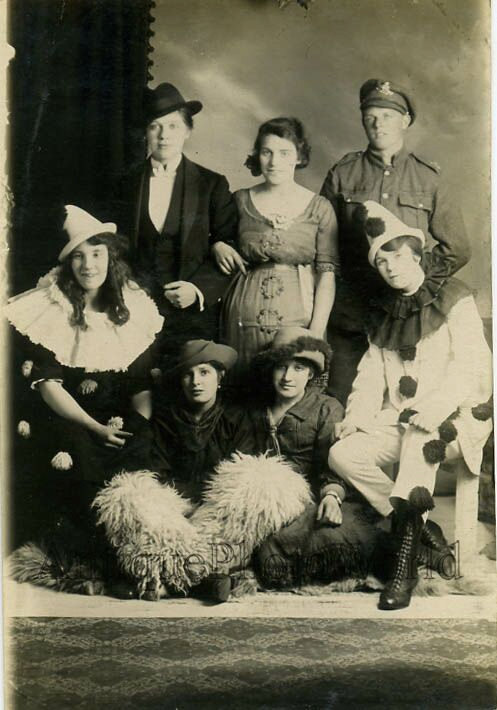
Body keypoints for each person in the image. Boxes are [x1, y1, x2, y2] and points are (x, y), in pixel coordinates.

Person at [328, 201, 493, 610]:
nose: (390, 267)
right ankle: (419, 528)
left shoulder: (453, 297)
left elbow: (472, 365)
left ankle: (404, 566)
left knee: (422, 440)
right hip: (403, 418)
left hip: (458, 416)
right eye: (381, 261)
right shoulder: (385, 312)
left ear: (417, 254)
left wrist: (435, 409)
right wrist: (356, 419)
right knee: (342, 453)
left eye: (399, 255)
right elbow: (369, 376)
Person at [6, 205, 163, 583]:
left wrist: (138, 425)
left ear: (110, 257)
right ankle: (101, 567)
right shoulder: (50, 307)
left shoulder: (131, 306)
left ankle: (147, 561)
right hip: (68, 417)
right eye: (78, 256)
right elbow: (48, 386)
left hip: (118, 418)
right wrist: (95, 427)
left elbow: (141, 384)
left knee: (143, 457)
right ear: (67, 263)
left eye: (96, 253)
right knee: (80, 457)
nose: (88, 265)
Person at [320, 79, 471, 404]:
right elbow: (321, 243)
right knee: (343, 401)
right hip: (352, 315)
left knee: (407, 404)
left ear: (405, 120)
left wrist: (411, 277)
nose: (378, 123)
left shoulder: (428, 177)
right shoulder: (342, 174)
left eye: (387, 115)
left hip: (409, 316)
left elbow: (457, 247)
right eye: (370, 115)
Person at [247, 328, 386, 589]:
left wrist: (332, 495)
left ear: (311, 373)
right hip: (269, 502)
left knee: (298, 544)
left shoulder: (326, 408)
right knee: (256, 544)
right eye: (281, 367)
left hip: (317, 496)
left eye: (298, 368)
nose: (288, 377)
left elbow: (335, 464)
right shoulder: (255, 409)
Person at [114, 82, 239, 353]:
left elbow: (230, 248)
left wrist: (197, 290)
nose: (163, 136)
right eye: (154, 126)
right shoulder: (124, 184)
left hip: (192, 315)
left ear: (188, 131)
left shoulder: (212, 185)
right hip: (133, 309)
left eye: (173, 126)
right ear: (146, 133)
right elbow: (111, 246)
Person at [218, 117, 339, 371]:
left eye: (284, 153)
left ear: (298, 156)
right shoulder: (239, 200)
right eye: (267, 152)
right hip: (241, 318)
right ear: (257, 155)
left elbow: (327, 274)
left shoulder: (319, 207)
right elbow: (218, 237)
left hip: (299, 315)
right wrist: (217, 244)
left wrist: (316, 331)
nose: (274, 162)